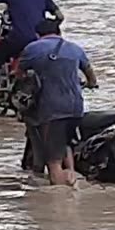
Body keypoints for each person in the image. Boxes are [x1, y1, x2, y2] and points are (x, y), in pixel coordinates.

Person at [19, 20, 98, 187]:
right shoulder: (75, 48)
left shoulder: (33, 48)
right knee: (66, 144)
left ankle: (61, 197)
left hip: (51, 109)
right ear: (58, 32)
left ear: (38, 34)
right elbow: (90, 74)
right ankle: (71, 177)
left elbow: (19, 73)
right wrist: (90, 83)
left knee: (53, 161)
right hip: (76, 107)